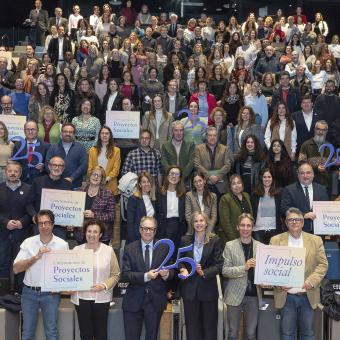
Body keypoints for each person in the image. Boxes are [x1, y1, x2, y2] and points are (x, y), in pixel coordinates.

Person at [270, 207, 328, 339]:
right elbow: (271, 268)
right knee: (287, 334)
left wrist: (311, 281)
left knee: (308, 334)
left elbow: (323, 265)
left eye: (297, 219)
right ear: (286, 223)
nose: (294, 222)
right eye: (290, 220)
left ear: (302, 222)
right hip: (287, 297)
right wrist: (279, 284)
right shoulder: (276, 241)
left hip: (307, 296)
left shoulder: (315, 240)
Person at [13, 209, 69, 339]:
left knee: (51, 332)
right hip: (29, 293)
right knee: (27, 333)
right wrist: (36, 257)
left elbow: (65, 273)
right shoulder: (28, 243)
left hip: (50, 294)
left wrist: (59, 288)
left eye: (47, 223)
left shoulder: (62, 245)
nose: (44, 226)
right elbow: (16, 268)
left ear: (53, 225)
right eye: (41, 223)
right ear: (37, 225)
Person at [122, 216, 173, 340]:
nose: (148, 231)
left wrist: (166, 274)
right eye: (145, 228)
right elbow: (125, 274)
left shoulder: (164, 247)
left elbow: (172, 272)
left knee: (152, 337)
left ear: (155, 231)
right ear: (140, 229)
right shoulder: (129, 248)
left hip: (155, 302)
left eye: (151, 229)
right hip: (133, 301)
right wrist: (146, 276)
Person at [179, 211, 223, 340]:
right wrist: (183, 270)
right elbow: (180, 261)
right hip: (190, 291)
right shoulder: (184, 240)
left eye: (201, 221)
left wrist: (204, 272)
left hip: (208, 291)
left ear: (206, 222)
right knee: (192, 329)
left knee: (209, 330)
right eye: (196, 221)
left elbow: (219, 265)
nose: (199, 223)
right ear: (192, 224)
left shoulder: (215, 240)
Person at [222, 213, 261, 340]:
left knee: (251, 334)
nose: (245, 228)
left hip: (254, 296)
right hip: (234, 295)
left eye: (248, 225)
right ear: (237, 227)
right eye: (242, 225)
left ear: (253, 227)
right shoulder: (229, 246)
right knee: (233, 333)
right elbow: (225, 271)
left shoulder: (261, 247)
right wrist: (244, 267)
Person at [0, 161, 31, 293]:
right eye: (10, 171)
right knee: (2, 264)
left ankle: (20, 294)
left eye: (16, 171)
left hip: (22, 234)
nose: (13, 173)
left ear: (21, 173)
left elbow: (32, 211)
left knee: (20, 265)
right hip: (2, 233)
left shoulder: (29, 189)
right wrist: (5, 222)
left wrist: (22, 222)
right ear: (5, 172)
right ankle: (3, 294)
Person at [27, 156, 73, 239]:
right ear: (49, 166)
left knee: (58, 251)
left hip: (60, 228)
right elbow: (28, 203)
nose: (57, 168)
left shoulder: (68, 185)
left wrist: (71, 221)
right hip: (41, 225)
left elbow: (70, 207)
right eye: (54, 165)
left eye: (60, 166)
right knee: (39, 250)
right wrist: (34, 215)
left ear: (63, 168)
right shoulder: (37, 182)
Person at [281, 161, 329, 233]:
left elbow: (326, 209)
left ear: (313, 174)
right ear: (298, 175)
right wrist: (303, 215)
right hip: (297, 232)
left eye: (308, 173)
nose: (305, 176)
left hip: (318, 233)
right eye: (302, 173)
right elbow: (285, 208)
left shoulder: (322, 189)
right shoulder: (289, 190)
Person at [74, 166, 115, 245]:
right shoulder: (79, 191)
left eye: (99, 176)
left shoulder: (108, 193)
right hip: (82, 234)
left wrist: (94, 215)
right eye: (94, 174)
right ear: (89, 176)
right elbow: (74, 212)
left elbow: (111, 216)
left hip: (101, 236)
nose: (96, 177)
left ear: (102, 179)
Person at [194, 126, 233, 199]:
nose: (212, 137)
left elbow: (228, 165)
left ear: (217, 137)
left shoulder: (225, 149)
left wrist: (217, 177)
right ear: (206, 136)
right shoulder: (198, 148)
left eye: (215, 135)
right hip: (204, 184)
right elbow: (197, 165)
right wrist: (209, 176)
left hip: (221, 185)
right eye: (210, 135)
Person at [45, 123, 87, 189]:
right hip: (55, 184)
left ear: (74, 134)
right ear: (61, 133)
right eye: (65, 131)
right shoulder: (53, 147)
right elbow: (47, 163)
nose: (68, 134)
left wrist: (72, 178)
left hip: (75, 185)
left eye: (70, 132)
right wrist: (56, 176)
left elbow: (84, 166)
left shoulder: (80, 148)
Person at [156, 166, 186, 247]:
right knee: (164, 252)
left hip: (179, 226)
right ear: (167, 176)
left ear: (180, 178)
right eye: (172, 173)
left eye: (177, 174)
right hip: (163, 226)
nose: (174, 176)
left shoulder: (184, 194)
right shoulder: (159, 192)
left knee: (177, 252)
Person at [218, 175, 253, 245]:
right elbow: (225, 223)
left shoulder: (247, 195)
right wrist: (234, 240)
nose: (237, 185)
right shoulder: (225, 199)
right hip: (231, 238)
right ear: (230, 187)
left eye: (239, 183)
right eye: (234, 184)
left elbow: (250, 217)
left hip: (246, 236)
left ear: (242, 184)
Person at [12, 120, 50, 184]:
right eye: (28, 129)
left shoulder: (46, 146)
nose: (30, 132)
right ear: (24, 131)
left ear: (37, 131)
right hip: (21, 181)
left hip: (39, 181)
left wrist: (43, 167)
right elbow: (14, 163)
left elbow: (49, 164)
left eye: (33, 129)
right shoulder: (18, 145)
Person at [251, 168, 282, 244]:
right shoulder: (255, 194)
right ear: (261, 178)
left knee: (274, 254)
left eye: (269, 177)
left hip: (274, 230)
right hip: (258, 230)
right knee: (259, 255)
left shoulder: (279, 194)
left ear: (272, 178)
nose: (267, 179)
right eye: (264, 177)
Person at [88, 126, 121, 195]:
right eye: (102, 133)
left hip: (110, 184)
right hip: (95, 184)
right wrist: (96, 179)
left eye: (107, 133)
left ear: (110, 136)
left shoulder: (116, 151)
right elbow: (90, 168)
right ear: (99, 135)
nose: (104, 135)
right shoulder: (92, 150)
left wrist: (106, 179)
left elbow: (116, 169)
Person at [161, 121, 195, 186]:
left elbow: (191, 162)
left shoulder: (190, 145)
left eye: (181, 130)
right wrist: (172, 175)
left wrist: (181, 176)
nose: (178, 133)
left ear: (183, 132)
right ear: (172, 132)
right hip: (170, 179)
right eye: (176, 130)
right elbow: (164, 162)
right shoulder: (165, 145)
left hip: (185, 179)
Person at [126, 171, 156, 243]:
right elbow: (130, 222)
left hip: (150, 236)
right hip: (137, 237)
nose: (146, 184)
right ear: (139, 184)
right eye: (144, 182)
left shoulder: (154, 199)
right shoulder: (133, 199)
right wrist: (133, 240)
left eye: (148, 182)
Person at [299, 120, 330, 187]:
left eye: (323, 130)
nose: (320, 132)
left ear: (326, 131)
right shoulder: (306, 145)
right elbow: (301, 163)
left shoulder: (330, 146)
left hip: (325, 182)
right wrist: (316, 168)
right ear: (314, 130)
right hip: (309, 182)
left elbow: (333, 165)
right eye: (318, 129)